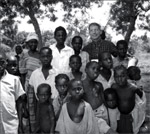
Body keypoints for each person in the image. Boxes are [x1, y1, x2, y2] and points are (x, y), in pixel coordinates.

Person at [82, 61, 117, 134]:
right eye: (93, 68)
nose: (96, 71)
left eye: (98, 69)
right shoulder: (81, 85)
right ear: (86, 70)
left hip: (103, 112)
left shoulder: (99, 85)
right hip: (93, 114)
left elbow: (103, 100)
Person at [28, 47, 57, 132]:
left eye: (48, 56)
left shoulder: (57, 73)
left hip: (54, 107)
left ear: (51, 57)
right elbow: (31, 96)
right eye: (43, 56)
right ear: (39, 57)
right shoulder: (35, 74)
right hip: (39, 108)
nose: (45, 59)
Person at [111, 65, 144, 133]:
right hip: (119, 117)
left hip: (131, 117)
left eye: (122, 76)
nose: (119, 79)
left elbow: (141, 98)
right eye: (117, 77)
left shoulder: (133, 88)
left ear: (126, 76)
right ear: (114, 77)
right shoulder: (114, 87)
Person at [0, 51, 25, 134]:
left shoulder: (14, 80)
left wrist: (20, 123)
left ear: (6, 63)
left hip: (11, 124)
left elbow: (19, 102)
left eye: (2, 62)